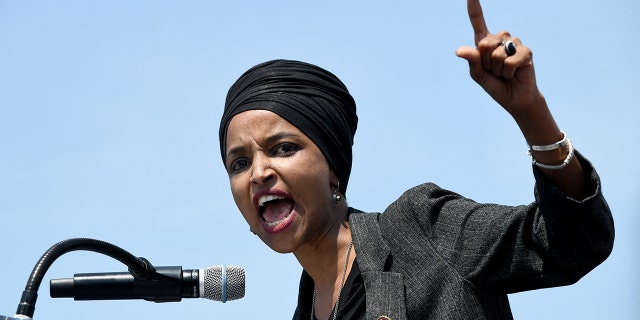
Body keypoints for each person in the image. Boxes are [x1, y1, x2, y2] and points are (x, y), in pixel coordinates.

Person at [217, 0, 615, 319]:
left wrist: (531, 112)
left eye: (283, 148)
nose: (259, 172)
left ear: (333, 170)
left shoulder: (420, 231)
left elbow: (575, 242)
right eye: (239, 163)